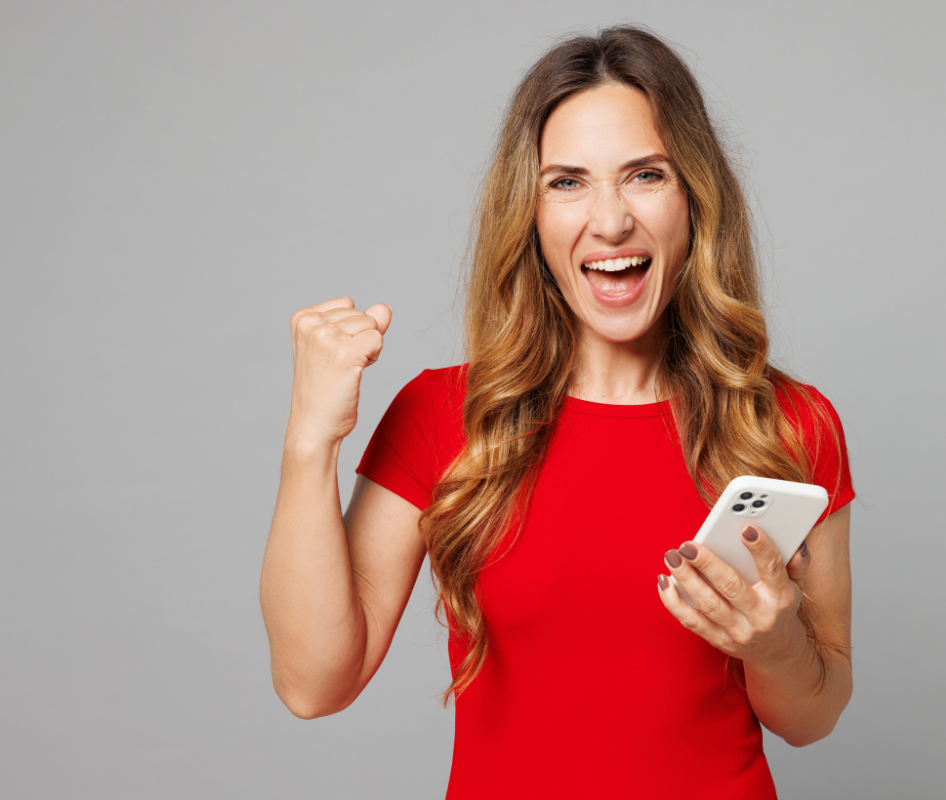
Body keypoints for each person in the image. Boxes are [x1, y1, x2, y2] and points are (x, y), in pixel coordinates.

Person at [260, 25, 854, 799]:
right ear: (531, 216)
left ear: (696, 196)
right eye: (567, 182)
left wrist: (774, 645)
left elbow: (813, 715)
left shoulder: (789, 423)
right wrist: (310, 441)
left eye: (645, 174)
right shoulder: (443, 415)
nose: (610, 222)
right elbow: (313, 685)